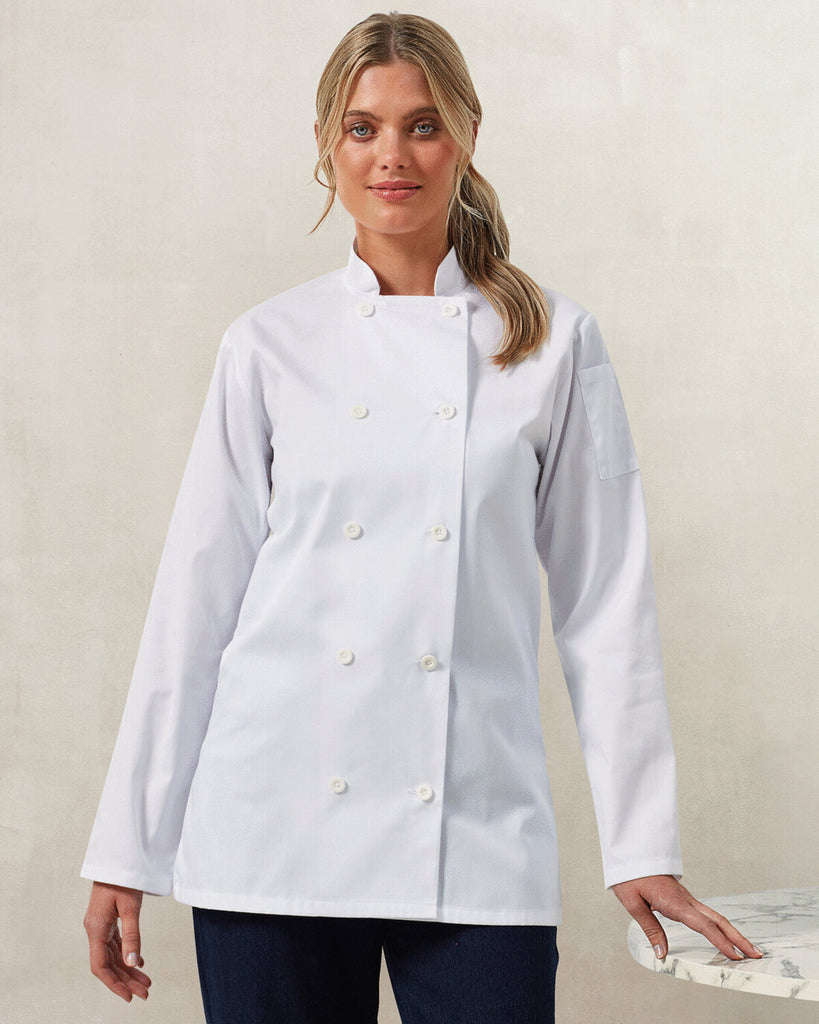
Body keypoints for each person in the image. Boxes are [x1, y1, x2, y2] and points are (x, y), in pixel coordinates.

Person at [81, 11, 763, 1023]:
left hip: (475, 829)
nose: (390, 155)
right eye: (362, 128)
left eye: (422, 125)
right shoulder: (267, 344)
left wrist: (640, 843)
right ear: (328, 145)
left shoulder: (555, 342)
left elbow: (605, 606)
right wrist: (127, 848)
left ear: (468, 135)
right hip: (270, 828)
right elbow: (195, 605)